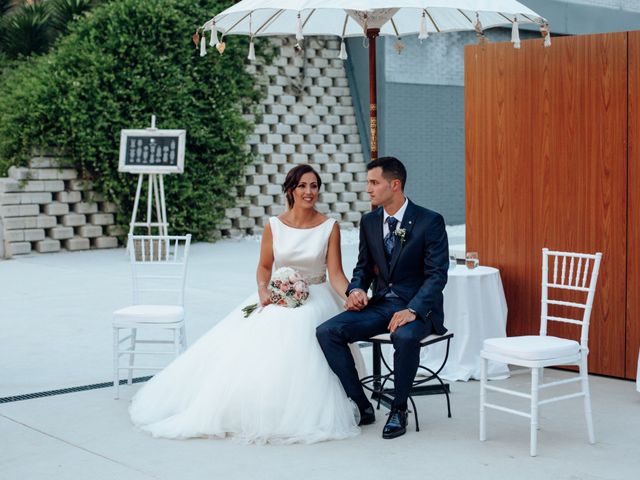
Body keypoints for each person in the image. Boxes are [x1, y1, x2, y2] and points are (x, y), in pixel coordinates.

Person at [129, 164, 364, 444]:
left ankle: (305, 407)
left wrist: (351, 293)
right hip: (276, 296)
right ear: (290, 190)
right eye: (302, 186)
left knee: (312, 338)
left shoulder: (329, 227)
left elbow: (335, 273)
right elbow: (265, 266)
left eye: (314, 186)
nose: (309, 191)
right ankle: (262, 406)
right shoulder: (274, 226)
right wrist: (264, 289)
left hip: (317, 295)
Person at [316, 156, 449, 440]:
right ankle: (362, 405)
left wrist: (413, 309)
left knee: (404, 336)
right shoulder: (370, 221)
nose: (369, 189)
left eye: (374, 183)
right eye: (368, 183)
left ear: (395, 184)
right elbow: (363, 267)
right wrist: (356, 290)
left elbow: (437, 275)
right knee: (328, 331)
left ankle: (399, 408)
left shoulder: (430, 221)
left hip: (419, 310)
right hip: (382, 305)